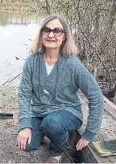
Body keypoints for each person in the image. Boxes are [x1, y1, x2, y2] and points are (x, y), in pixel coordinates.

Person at [16, 14, 104, 163]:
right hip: (39, 112)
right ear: (41, 34)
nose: (51, 35)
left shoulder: (72, 64)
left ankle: (57, 152)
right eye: (46, 30)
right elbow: (24, 93)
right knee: (27, 145)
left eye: (57, 31)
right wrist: (25, 125)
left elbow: (96, 95)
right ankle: (46, 131)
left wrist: (90, 132)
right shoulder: (32, 61)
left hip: (68, 112)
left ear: (64, 36)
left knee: (52, 123)